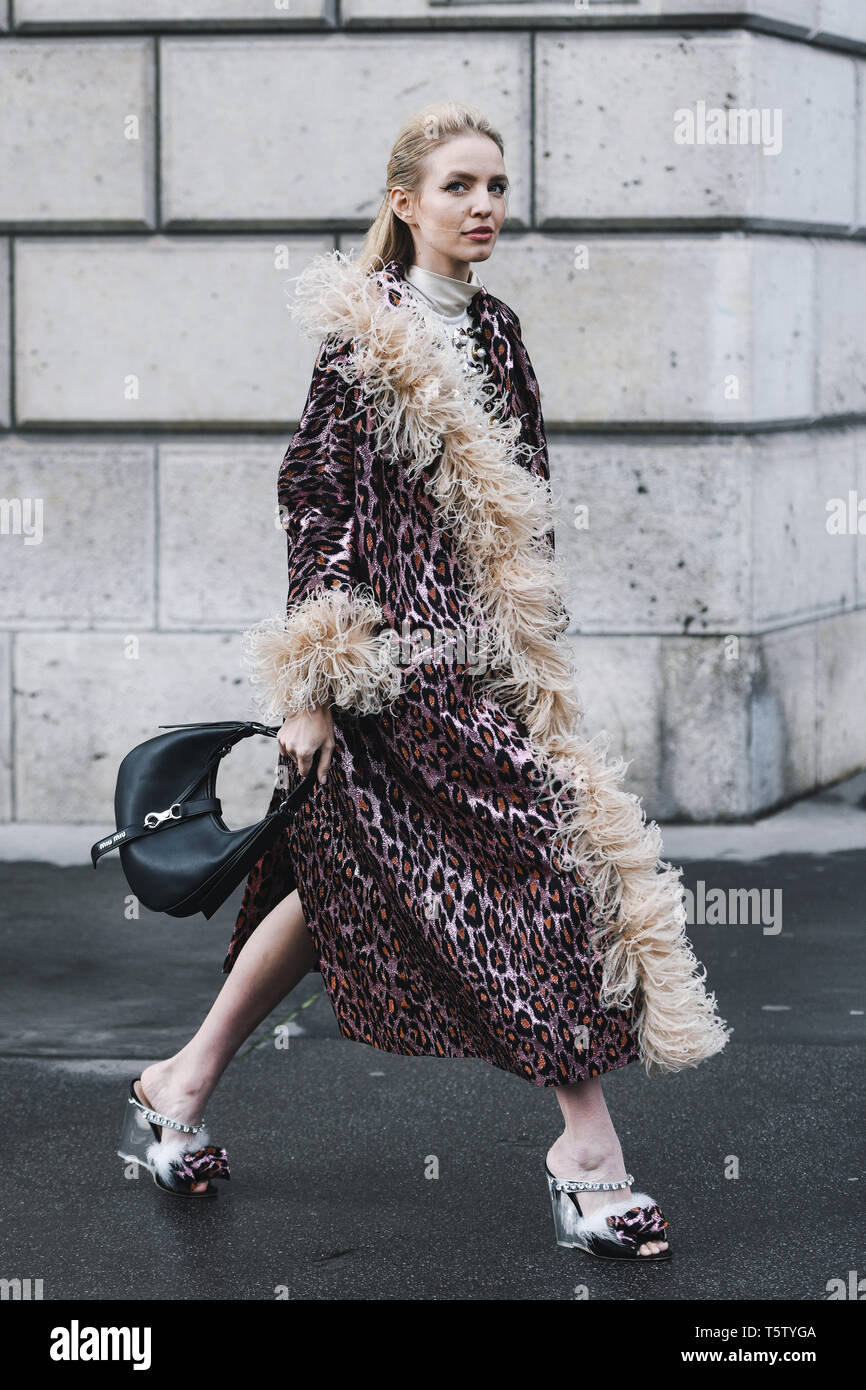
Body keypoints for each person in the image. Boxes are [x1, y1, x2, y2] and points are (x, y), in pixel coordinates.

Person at [118, 100, 729, 1259]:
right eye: (458, 187)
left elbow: (524, 505)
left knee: (336, 883)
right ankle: (586, 1147)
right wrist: (312, 679)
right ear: (405, 202)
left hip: (482, 667)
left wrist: (526, 638)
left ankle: (177, 1082)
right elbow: (316, 504)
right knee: (537, 872)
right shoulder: (366, 335)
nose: (485, 206)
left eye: (495, 186)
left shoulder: (495, 332)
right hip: (394, 677)